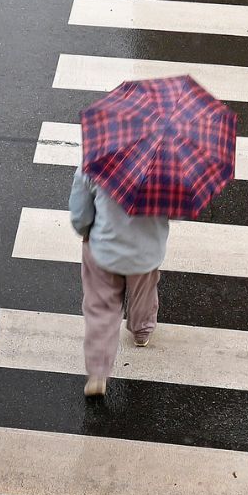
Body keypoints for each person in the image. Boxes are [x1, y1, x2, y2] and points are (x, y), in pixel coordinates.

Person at [69, 166, 170, 398]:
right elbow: (175, 209)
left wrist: (84, 230)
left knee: (101, 307)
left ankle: (97, 372)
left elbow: (80, 211)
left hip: (103, 248)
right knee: (143, 294)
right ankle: (141, 331)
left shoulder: (96, 159)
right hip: (146, 252)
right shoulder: (167, 165)